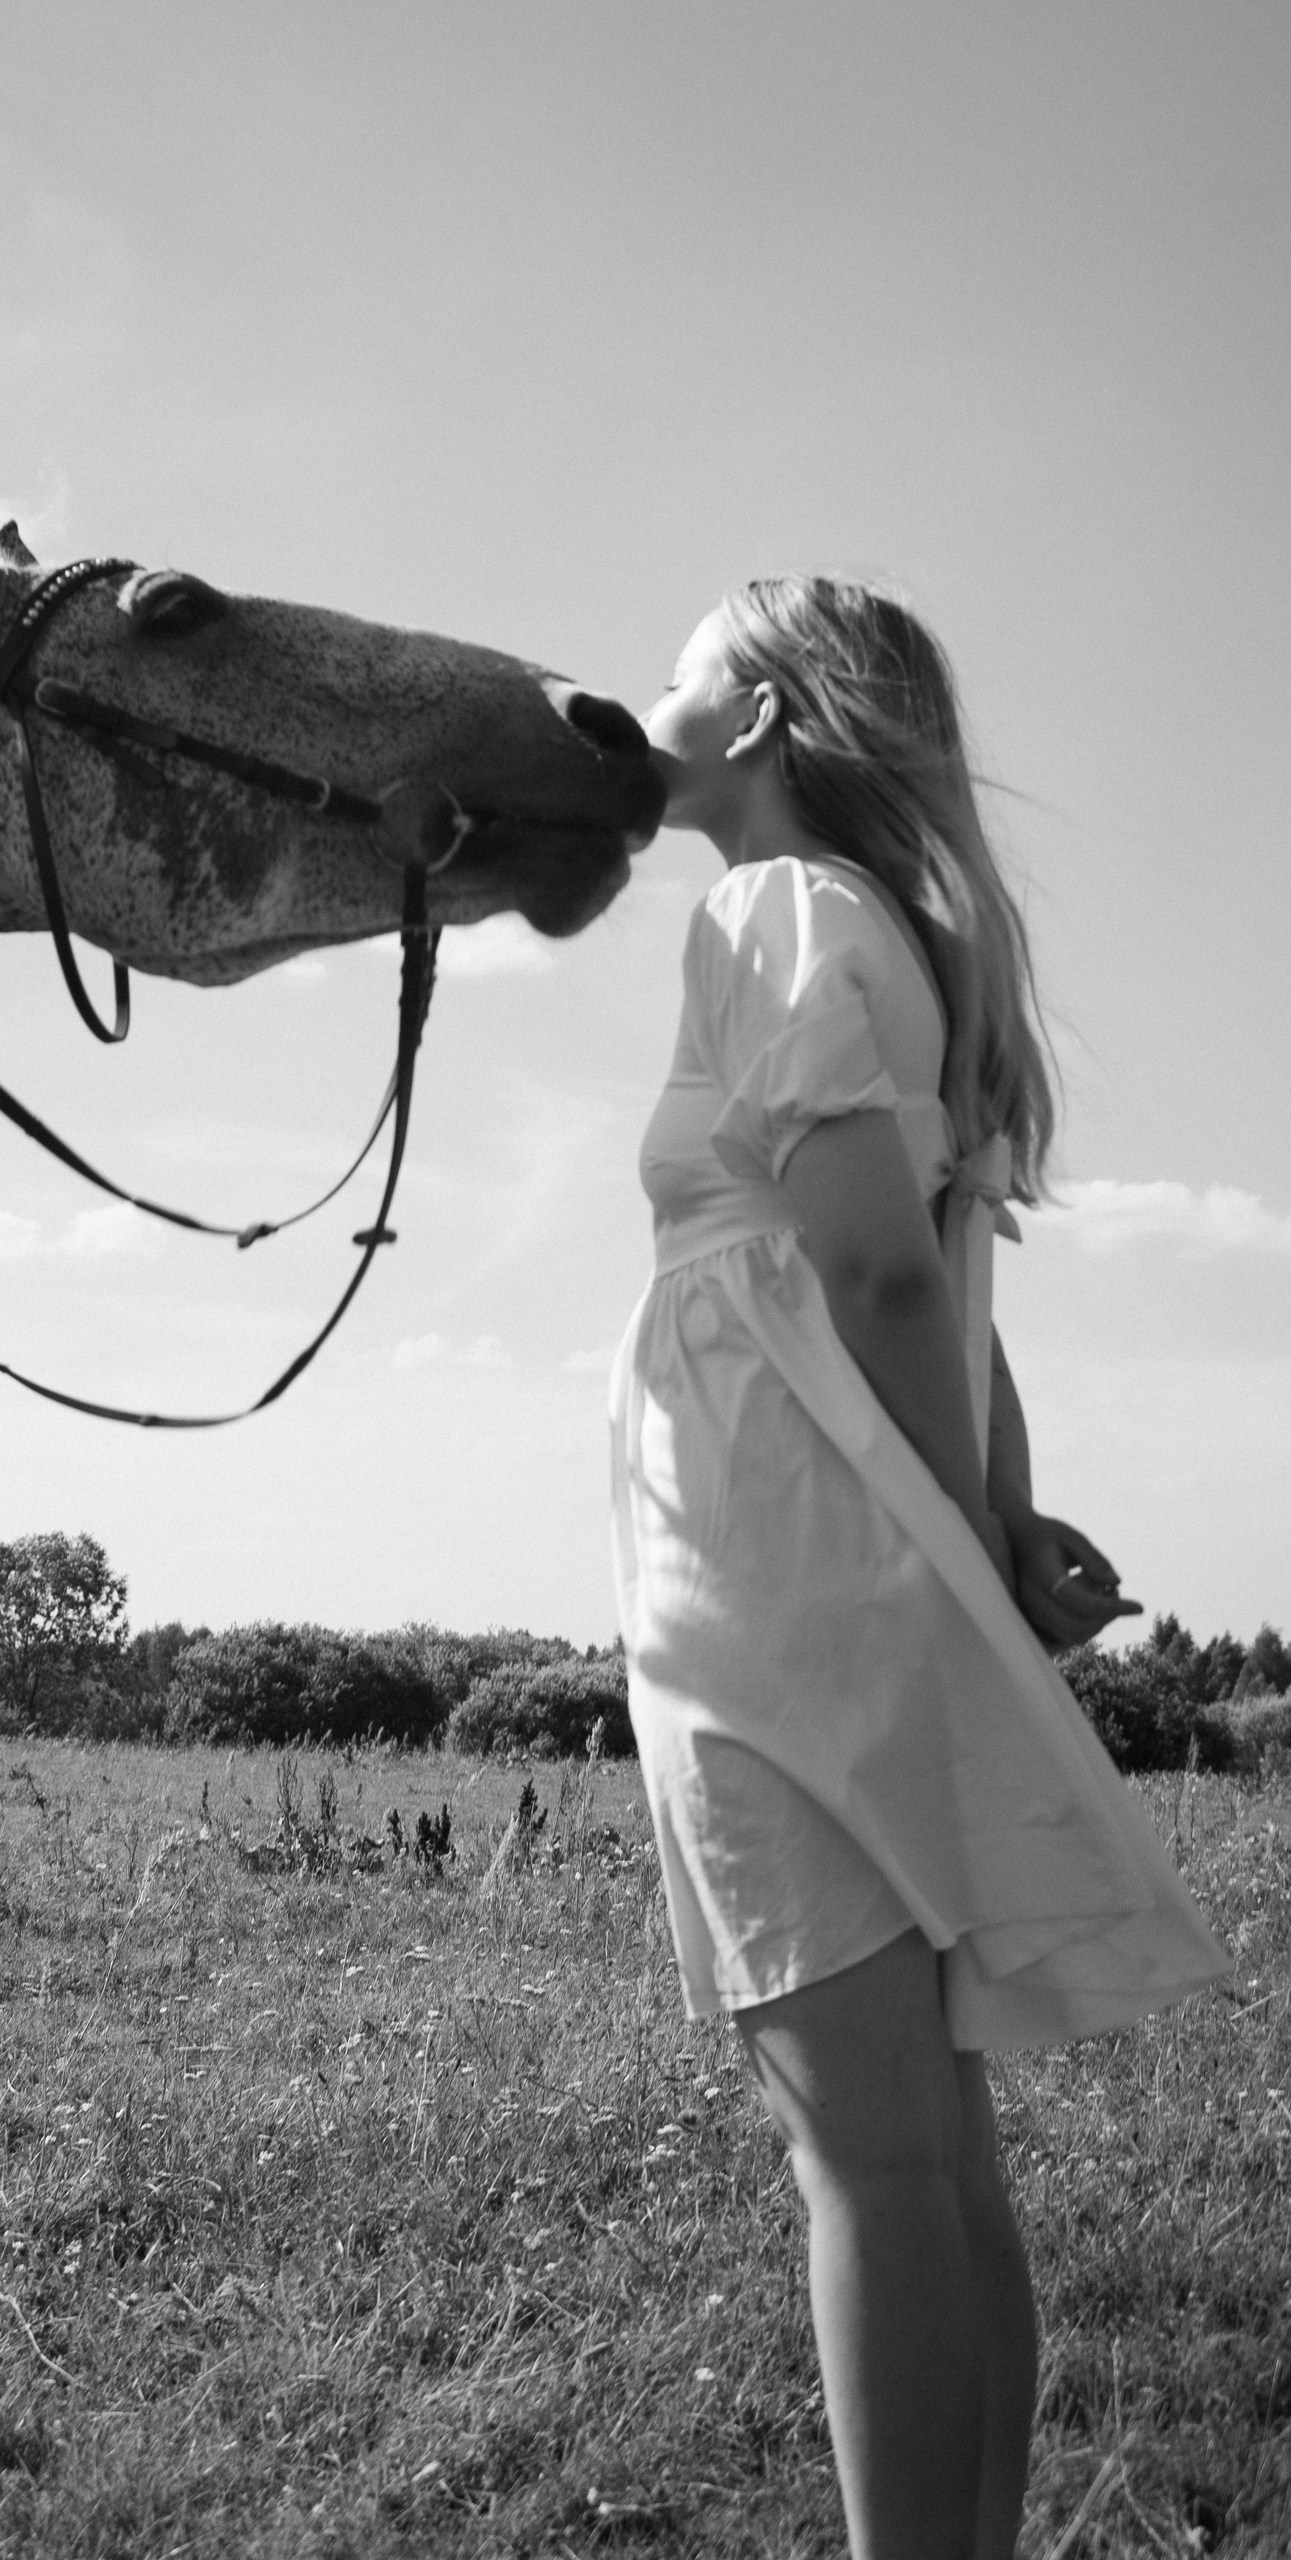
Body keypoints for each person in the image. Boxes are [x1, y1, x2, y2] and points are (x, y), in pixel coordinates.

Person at [610, 578, 1228, 2560]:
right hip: (842, 1555)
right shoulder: (880, 934)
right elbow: (939, 1279)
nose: (647, 694)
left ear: (764, 715)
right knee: (929, 2153)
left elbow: (877, 1264)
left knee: (861, 2160)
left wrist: (965, 1531)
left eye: (679, 663)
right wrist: (1001, 1508)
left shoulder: (770, 910)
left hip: (778, 1572)